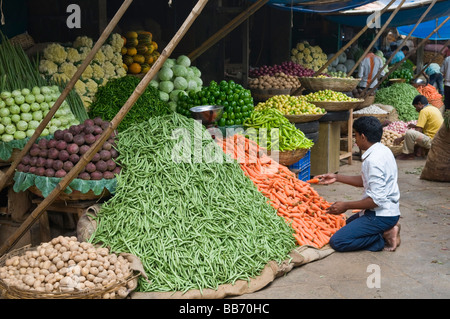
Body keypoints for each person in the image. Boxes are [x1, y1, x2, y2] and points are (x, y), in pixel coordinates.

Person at [314, 116, 401, 252]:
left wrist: (346, 205)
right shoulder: (383, 150)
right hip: (386, 211)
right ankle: (388, 229)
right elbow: (364, 181)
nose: (355, 139)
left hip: (381, 214)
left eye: (355, 135)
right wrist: (336, 177)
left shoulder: (373, 161)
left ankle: (383, 236)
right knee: (345, 225)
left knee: (338, 241)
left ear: (363, 137)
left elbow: (376, 200)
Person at [394, 95, 444, 160]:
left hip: (432, 141)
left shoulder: (424, 111)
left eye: (415, 106)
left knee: (409, 133)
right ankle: (419, 151)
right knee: (415, 136)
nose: (416, 109)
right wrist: (415, 126)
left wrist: (401, 138)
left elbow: (417, 131)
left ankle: (408, 154)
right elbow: (430, 124)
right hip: (439, 140)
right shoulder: (434, 109)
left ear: (420, 104)